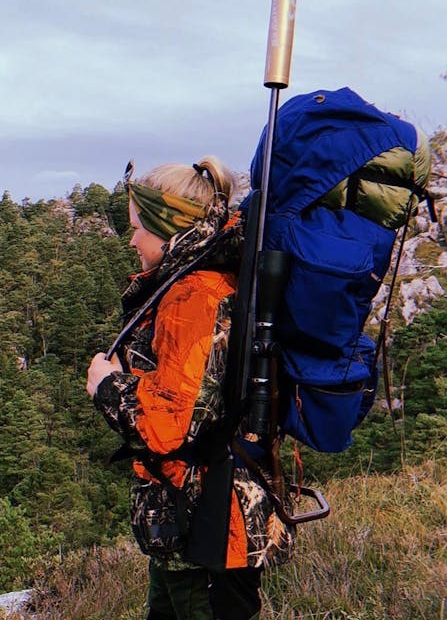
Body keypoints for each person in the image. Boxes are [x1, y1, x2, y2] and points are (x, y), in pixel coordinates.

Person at [87, 156, 294, 620]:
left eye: (139, 226)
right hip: (193, 516)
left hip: (205, 521)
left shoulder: (191, 296)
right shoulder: (200, 279)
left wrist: (107, 387)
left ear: (168, 228)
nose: (133, 239)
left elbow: (170, 426)